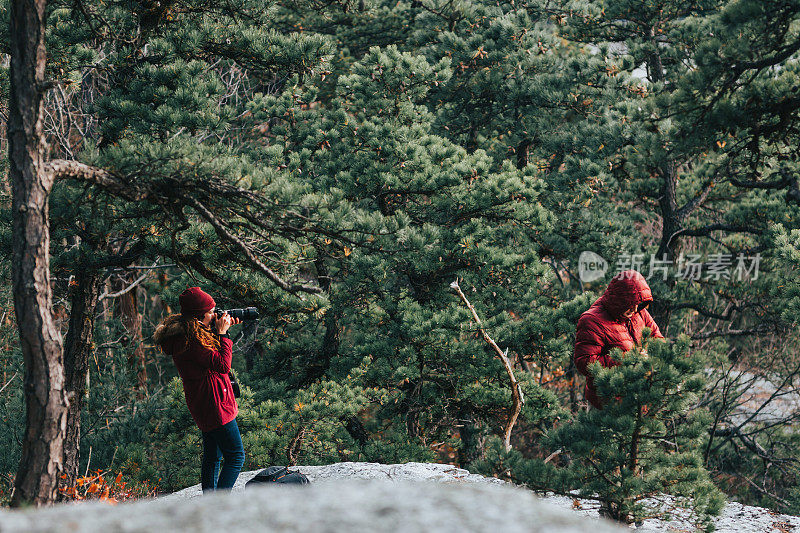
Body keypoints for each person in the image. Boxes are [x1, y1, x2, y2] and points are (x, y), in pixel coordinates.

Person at [153, 287, 244, 492]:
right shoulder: (192, 341)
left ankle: (210, 505)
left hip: (204, 402)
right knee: (236, 456)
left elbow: (208, 352)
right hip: (215, 404)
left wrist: (220, 330)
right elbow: (222, 365)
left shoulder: (189, 332)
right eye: (211, 311)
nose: (215, 314)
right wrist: (223, 333)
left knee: (213, 457)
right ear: (198, 315)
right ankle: (219, 505)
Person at [573, 269, 665, 409]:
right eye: (630, 304)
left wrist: (648, 355)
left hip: (640, 398)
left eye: (637, 304)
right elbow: (585, 362)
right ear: (619, 300)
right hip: (608, 403)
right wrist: (626, 359)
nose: (634, 309)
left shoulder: (639, 311)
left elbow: (658, 339)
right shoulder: (592, 320)